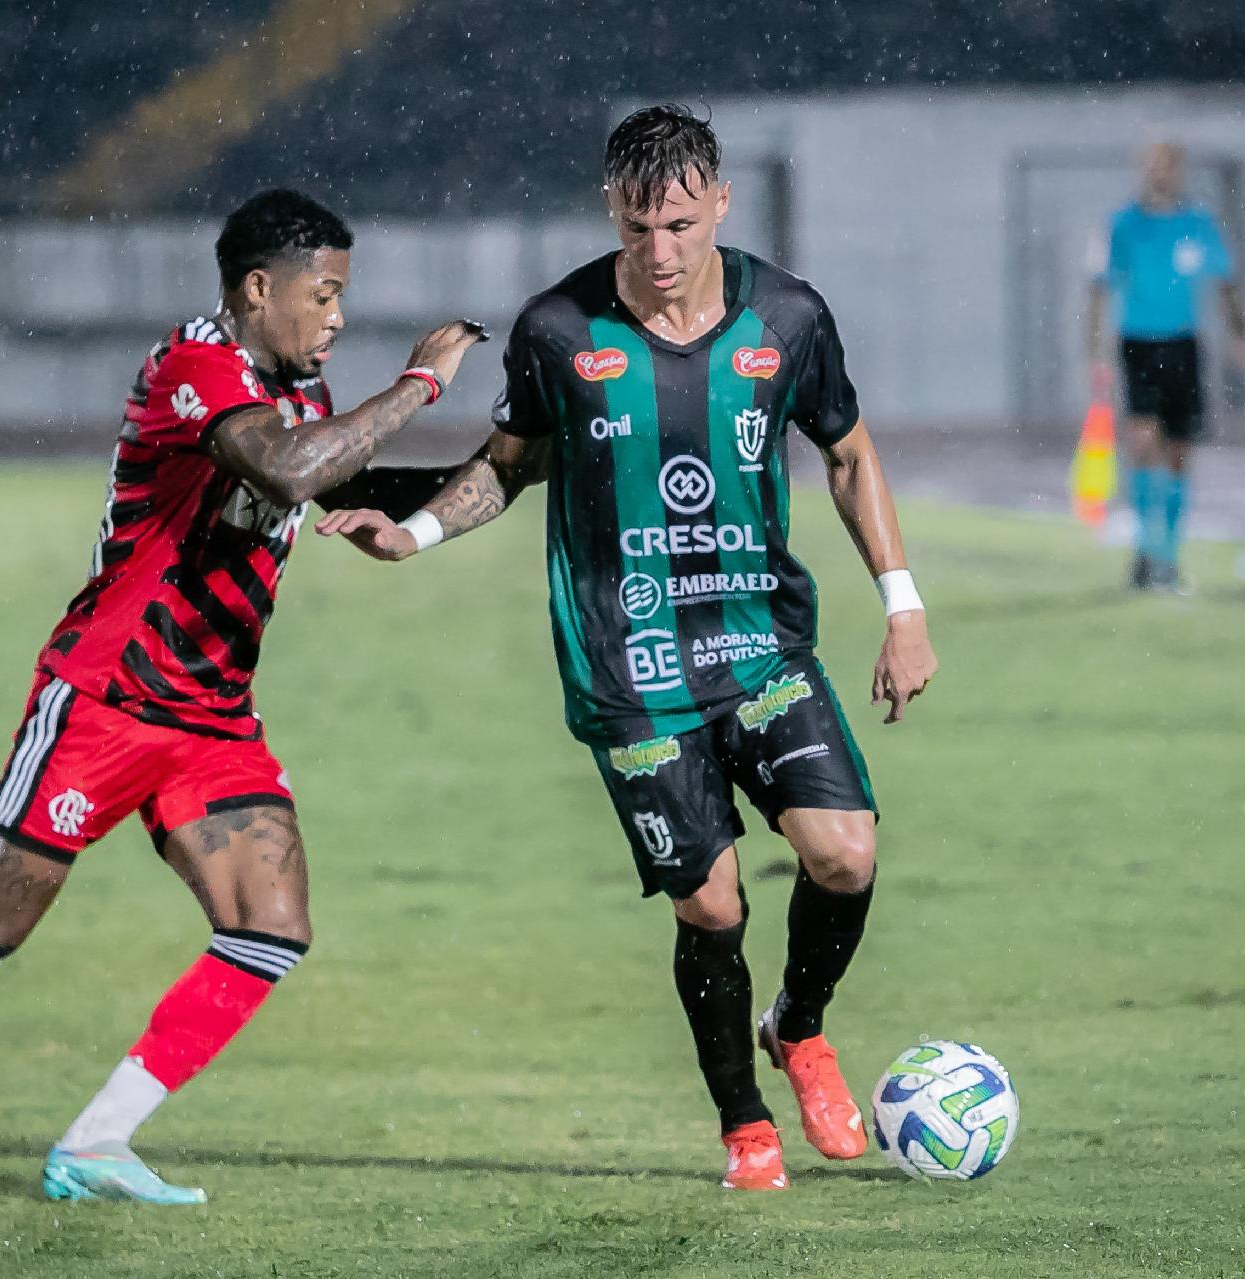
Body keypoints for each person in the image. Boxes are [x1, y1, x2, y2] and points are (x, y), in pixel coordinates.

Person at [0, 189, 487, 1202]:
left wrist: (516, 462)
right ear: (260, 290)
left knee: (272, 923)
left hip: (212, 717)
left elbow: (334, 476)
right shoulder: (194, 368)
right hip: (106, 699)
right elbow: (291, 468)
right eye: (326, 294)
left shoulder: (296, 389)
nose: (338, 315)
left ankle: (95, 1141)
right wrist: (423, 382)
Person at [318, 106, 938, 1191]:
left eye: (682, 226)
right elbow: (510, 465)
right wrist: (413, 531)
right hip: (630, 665)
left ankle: (798, 1027)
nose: (659, 253)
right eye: (638, 226)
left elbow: (847, 452)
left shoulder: (788, 316)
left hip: (760, 644)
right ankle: (744, 1122)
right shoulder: (559, 328)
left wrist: (903, 604)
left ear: (722, 206)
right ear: (611, 209)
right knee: (712, 902)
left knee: (845, 854)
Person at [1086, 141, 1245, 592]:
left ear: (1179, 170)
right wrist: (1094, 352)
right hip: (1138, 343)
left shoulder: (1197, 224)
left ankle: (1170, 556)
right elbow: (1099, 289)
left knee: (1178, 451)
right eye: (1152, 163)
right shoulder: (1123, 224)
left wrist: (1240, 332)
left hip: (1183, 345)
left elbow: (1226, 283)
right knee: (1142, 443)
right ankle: (1145, 550)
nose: (1161, 172)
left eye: (1168, 164)